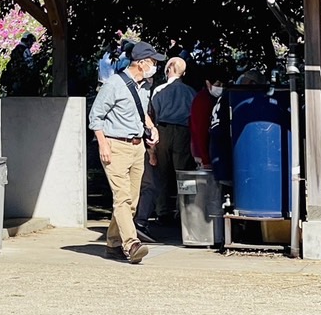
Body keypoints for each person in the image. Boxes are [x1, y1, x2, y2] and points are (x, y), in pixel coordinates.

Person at [88, 41, 165, 264]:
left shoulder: (144, 87)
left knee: (131, 201)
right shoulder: (113, 84)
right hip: (115, 146)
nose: (155, 67)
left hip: (137, 145)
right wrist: (103, 144)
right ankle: (131, 244)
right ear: (140, 63)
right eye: (152, 62)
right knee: (121, 198)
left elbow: (141, 114)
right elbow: (95, 117)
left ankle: (112, 243)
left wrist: (151, 128)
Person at [135, 56, 196, 235]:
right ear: (184, 73)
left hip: (162, 130)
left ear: (168, 69)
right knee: (183, 173)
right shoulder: (190, 92)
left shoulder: (159, 90)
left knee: (161, 172)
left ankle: (162, 211)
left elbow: (152, 113)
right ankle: (183, 211)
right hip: (183, 132)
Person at [189, 65, 225, 168]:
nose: (221, 87)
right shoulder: (202, 100)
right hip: (204, 156)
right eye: (218, 84)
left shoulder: (218, 98)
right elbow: (200, 130)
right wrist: (205, 160)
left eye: (223, 84)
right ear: (208, 83)